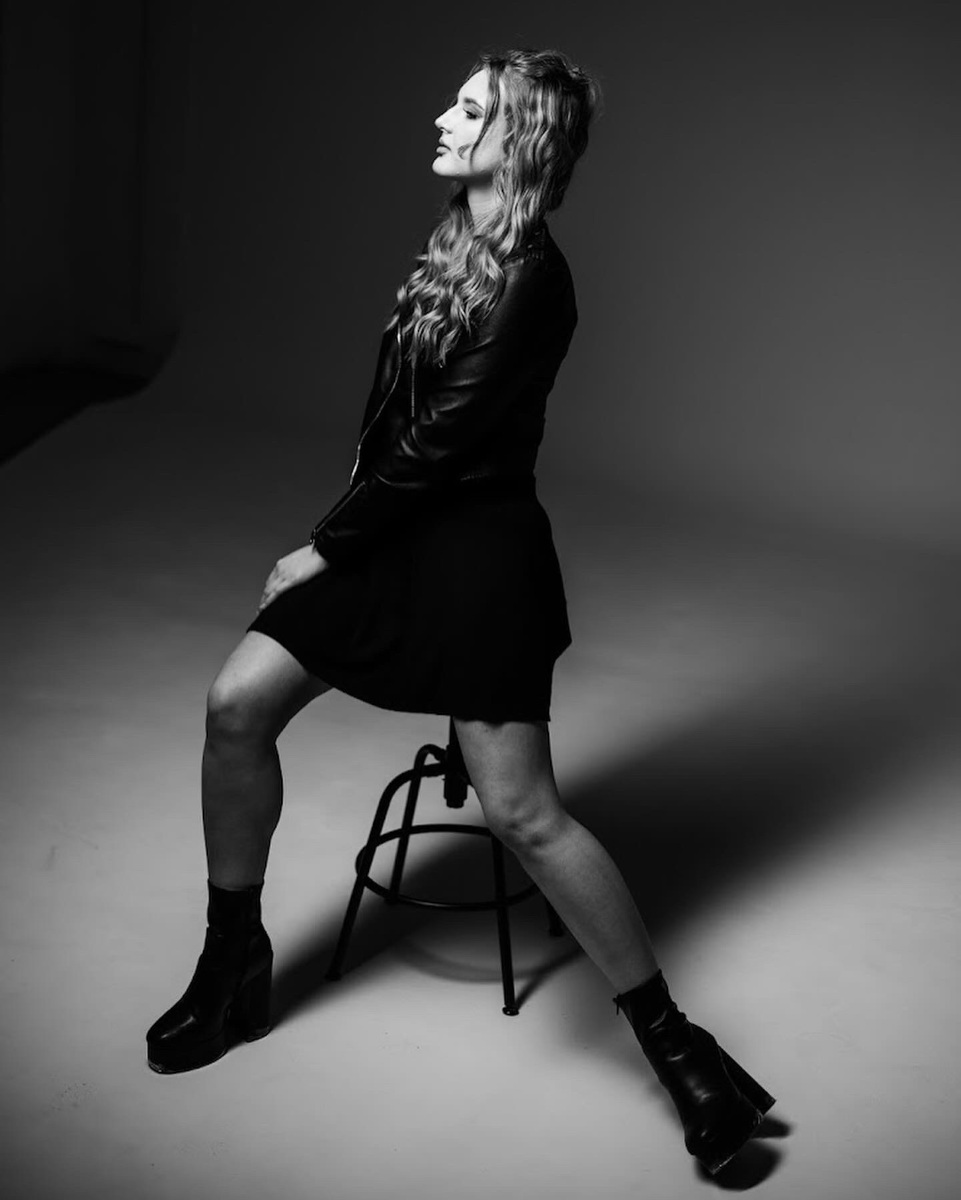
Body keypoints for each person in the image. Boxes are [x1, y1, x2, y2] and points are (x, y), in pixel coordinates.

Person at [146, 47, 776, 1176]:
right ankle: (230, 962)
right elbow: (388, 423)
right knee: (235, 706)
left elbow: (438, 447)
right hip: (389, 536)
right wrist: (350, 527)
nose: (444, 116)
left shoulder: (538, 280)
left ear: (518, 139)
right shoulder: (455, 239)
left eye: (471, 108)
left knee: (523, 813)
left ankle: (682, 1051)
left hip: (475, 557)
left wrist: (320, 548)